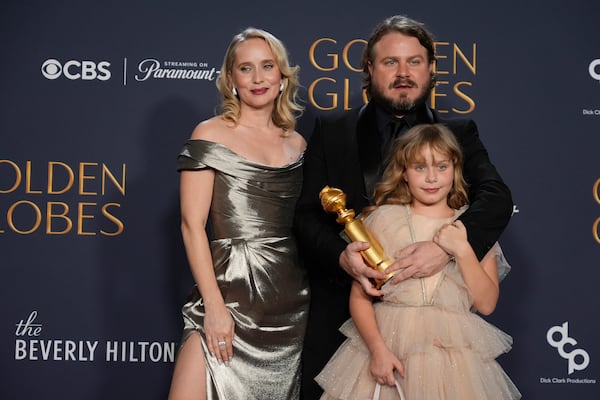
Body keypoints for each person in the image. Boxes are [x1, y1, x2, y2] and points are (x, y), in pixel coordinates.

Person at [293, 15, 513, 399]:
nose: (403, 72)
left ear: (430, 69)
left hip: (439, 345)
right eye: (390, 62)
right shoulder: (333, 133)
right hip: (344, 326)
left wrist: (446, 247)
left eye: (414, 61)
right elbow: (306, 215)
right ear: (369, 69)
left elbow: (496, 196)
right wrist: (343, 257)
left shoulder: (460, 135)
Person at [315, 123, 520, 399]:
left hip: (453, 360)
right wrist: (377, 350)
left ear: (456, 169)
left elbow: (486, 303)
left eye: (442, 167)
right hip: (389, 345)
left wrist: (462, 249)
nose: (432, 178)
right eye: (420, 167)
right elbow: (360, 298)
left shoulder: (469, 228)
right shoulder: (383, 220)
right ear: (404, 172)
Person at [168, 27, 309, 400]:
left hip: (288, 302)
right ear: (231, 79)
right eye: (246, 69)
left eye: (267, 66)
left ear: (282, 76)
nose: (258, 78)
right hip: (226, 292)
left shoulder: (297, 142)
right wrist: (214, 308)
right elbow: (191, 226)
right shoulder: (210, 134)